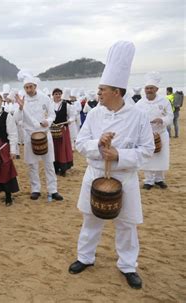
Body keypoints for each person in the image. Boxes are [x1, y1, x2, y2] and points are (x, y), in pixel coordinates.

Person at [68, 41, 154, 289]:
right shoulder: (95, 114)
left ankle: (127, 265)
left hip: (125, 178)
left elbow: (147, 151)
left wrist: (118, 155)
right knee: (90, 219)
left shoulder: (138, 115)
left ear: (116, 91)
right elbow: (81, 143)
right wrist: (99, 143)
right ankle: (85, 257)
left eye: (102, 90)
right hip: (95, 174)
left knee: (126, 225)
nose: (98, 94)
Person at [14, 72, 63, 201]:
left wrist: (48, 121)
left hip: (45, 134)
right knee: (32, 164)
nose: (29, 90)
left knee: (49, 164)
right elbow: (17, 119)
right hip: (29, 135)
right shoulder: (21, 100)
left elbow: (52, 114)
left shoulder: (45, 98)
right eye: (26, 87)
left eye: (31, 87)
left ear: (35, 86)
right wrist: (20, 108)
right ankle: (36, 189)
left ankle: (53, 190)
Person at [136, 72, 173, 189]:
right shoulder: (140, 103)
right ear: (144, 89)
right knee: (148, 158)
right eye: (147, 88)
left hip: (161, 134)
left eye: (151, 88)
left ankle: (159, 179)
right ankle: (148, 180)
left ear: (156, 89)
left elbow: (170, 116)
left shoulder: (164, 101)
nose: (149, 90)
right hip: (147, 135)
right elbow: (135, 118)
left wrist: (162, 120)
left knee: (161, 156)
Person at [51, 88, 74, 177]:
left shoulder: (66, 105)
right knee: (54, 148)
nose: (58, 95)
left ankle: (63, 169)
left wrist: (69, 121)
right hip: (52, 129)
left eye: (59, 94)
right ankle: (55, 167)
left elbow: (72, 116)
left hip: (63, 129)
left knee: (62, 148)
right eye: (56, 94)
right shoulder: (50, 105)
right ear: (53, 95)